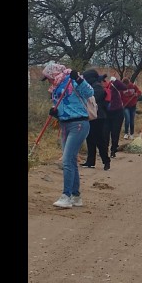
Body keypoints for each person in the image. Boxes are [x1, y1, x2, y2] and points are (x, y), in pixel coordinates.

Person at [41, 62, 93, 209]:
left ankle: (66, 196)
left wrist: (79, 80)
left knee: (67, 160)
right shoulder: (55, 88)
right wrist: (55, 112)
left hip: (78, 123)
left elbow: (89, 92)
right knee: (70, 160)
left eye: (48, 78)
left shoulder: (72, 80)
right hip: (64, 124)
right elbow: (62, 105)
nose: (48, 81)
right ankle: (76, 196)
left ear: (54, 74)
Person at [81, 69, 111, 171]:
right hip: (92, 116)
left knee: (99, 140)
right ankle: (90, 161)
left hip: (98, 117)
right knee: (90, 139)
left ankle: (106, 161)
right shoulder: (93, 86)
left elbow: (93, 99)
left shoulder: (97, 87)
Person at [106, 76, 125, 157]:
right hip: (108, 113)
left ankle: (113, 150)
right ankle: (107, 150)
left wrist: (116, 81)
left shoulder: (114, 86)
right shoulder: (103, 88)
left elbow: (124, 87)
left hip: (117, 112)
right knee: (107, 133)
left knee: (115, 132)